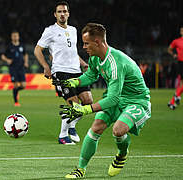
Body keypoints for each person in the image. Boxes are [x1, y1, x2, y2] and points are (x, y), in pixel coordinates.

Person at [58, 23, 151, 178]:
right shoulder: (94, 57)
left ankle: (122, 154)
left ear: (98, 42)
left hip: (136, 101)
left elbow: (113, 98)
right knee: (96, 127)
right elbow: (91, 75)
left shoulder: (116, 63)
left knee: (118, 130)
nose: (84, 47)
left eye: (87, 43)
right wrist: (76, 82)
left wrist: (86, 109)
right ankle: (80, 169)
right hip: (116, 97)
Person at [34, 1, 92, 145]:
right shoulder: (50, 31)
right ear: (55, 15)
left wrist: (83, 63)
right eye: (59, 12)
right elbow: (37, 50)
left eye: (64, 11)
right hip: (61, 71)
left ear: (68, 14)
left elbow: (73, 51)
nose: (62, 14)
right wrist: (46, 67)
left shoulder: (73, 30)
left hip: (76, 71)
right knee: (74, 104)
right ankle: (63, 135)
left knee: (88, 102)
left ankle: (71, 125)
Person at [1, 30, 28, 107]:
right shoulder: (9, 46)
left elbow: (25, 54)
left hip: (21, 67)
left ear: (18, 37)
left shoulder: (22, 45)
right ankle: (16, 102)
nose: (15, 37)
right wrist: (7, 60)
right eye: (14, 36)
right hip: (13, 68)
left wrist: (26, 62)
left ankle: (15, 91)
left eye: (16, 36)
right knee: (15, 85)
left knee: (23, 85)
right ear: (11, 37)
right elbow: (2, 56)